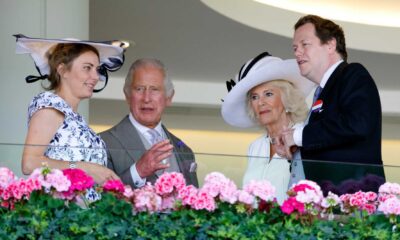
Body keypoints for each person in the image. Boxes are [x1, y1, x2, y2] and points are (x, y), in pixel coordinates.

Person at [281, 15, 385, 194]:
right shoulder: (320, 92)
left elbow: (358, 124)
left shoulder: (353, 74)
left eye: (305, 44)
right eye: (295, 48)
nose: (297, 53)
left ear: (330, 44)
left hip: (354, 200)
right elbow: (329, 141)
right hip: (327, 203)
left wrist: (300, 136)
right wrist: (295, 147)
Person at [17, 34, 128, 184]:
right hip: (62, 206)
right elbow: (29, 163)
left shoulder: (74, 118)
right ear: (63, 70)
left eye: (97, 69)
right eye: (87, 68)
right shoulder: (51, 105)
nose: (95, 76)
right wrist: (84, 168)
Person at [221, 52, 315, 204]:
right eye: (254, 97)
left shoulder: (303, 137)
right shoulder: (255, 147)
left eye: (268, 94)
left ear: (286, 98)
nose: (261, 102)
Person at [100, 58, 198, 188]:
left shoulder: (185, 150)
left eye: (154, 89)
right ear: (127, 96)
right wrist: (137, 172)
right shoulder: (102, 143)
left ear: (169, 97)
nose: (146, 98)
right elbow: (96, 199)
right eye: (139, 89)